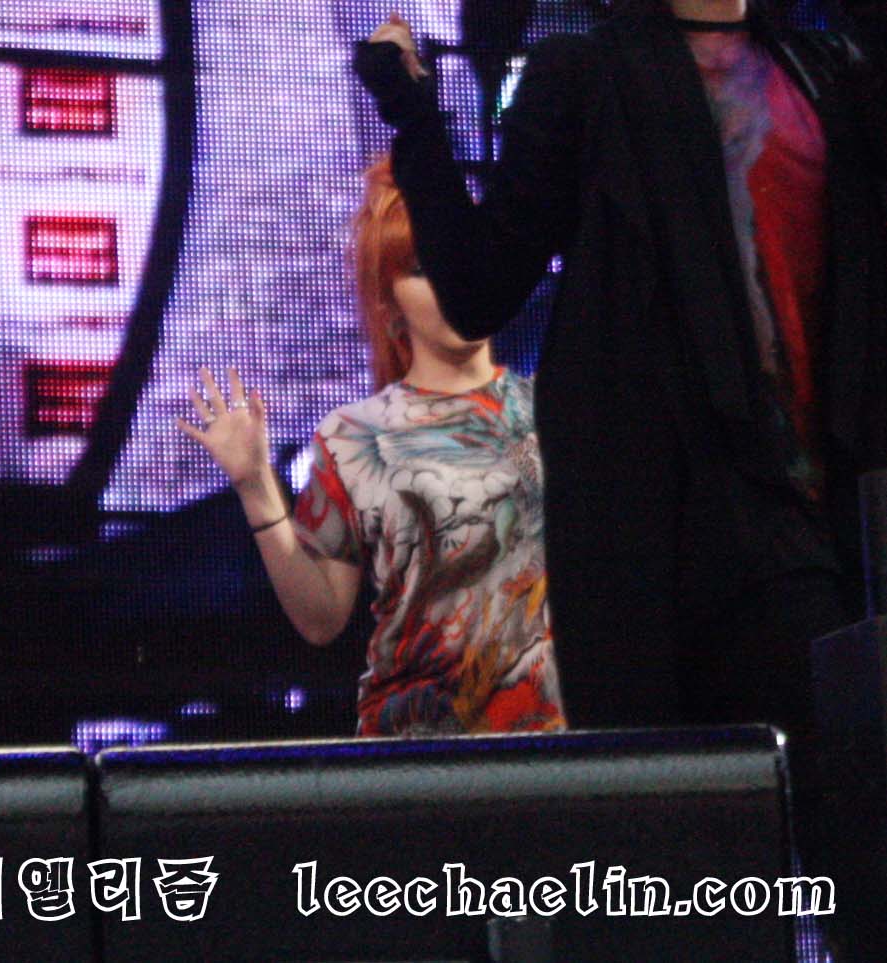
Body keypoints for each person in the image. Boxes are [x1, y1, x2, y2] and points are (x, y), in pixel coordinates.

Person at [357, 0, 887, 736]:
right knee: (664, 792)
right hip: (644, 539)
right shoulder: (586, 74)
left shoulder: (828, 73)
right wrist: (414, 113)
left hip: (802, 519)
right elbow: (480, 288)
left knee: (817, 766)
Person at [179, 160, 564, 736]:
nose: (454, 278)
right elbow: (321, 618)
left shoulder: (555, 411)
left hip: (548, 748)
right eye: (424, 268)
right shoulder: (355, 437)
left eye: (465, 254)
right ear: (390, 311)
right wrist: (255, 485)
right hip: (413, 750)